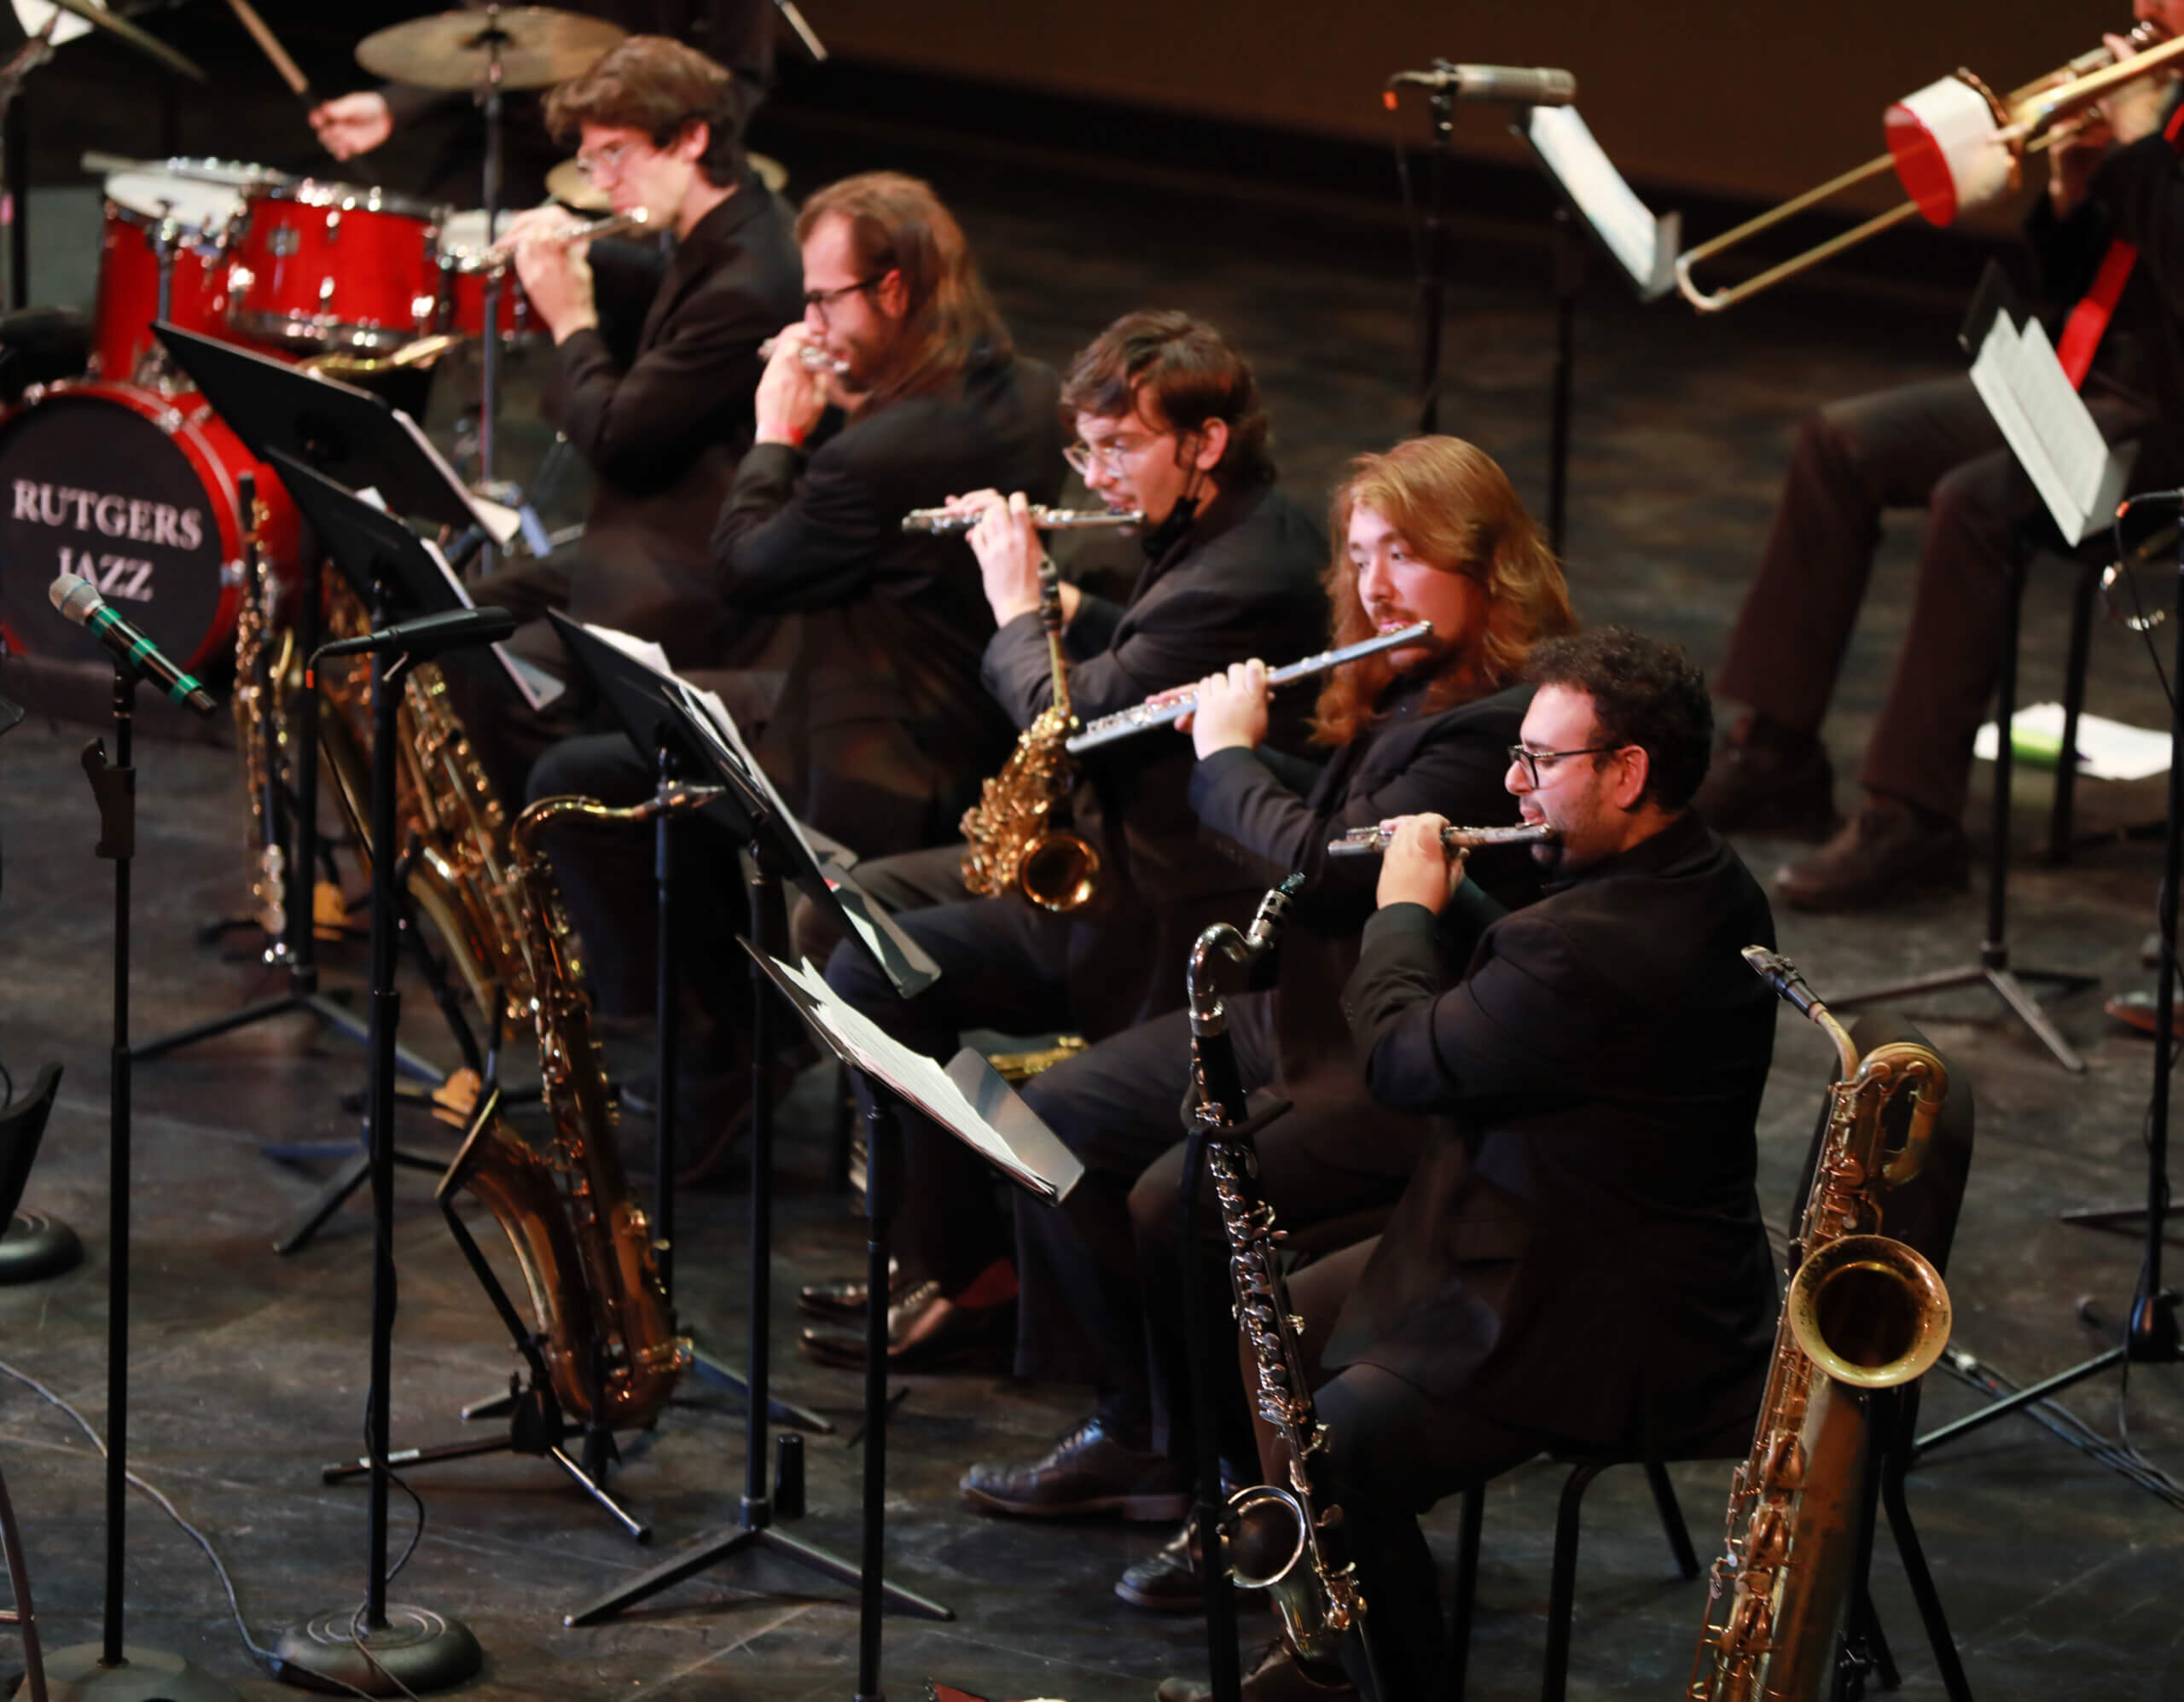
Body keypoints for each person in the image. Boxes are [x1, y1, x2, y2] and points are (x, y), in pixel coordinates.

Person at [940, 439, 1575, 1623]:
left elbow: (1333, 869)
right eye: (1362, 553)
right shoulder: (1407, 684)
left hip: (1395, 1061)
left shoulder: (1496, 723)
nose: (1376, 583)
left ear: (1488, 566)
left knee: (1172, 1202)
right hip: (1303, 1018)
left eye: (1410, 555)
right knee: (1041, 1120)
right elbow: (1342, 808)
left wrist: (1227, 754)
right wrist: (1234, 735)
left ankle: (1247, 1491)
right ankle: (1147, 1428)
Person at [1157, 628, 1780, 1701]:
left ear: (1629, 772)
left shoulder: (1585, 945)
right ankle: (1327, 1640)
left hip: (1598, 1309)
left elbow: (1402, 1061)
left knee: (1334, 1450)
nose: (1512, 780)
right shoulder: (1702, 873)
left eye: (1541, 761)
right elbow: (1543, 1006)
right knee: (1275, 1332)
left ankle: (1389, 1675)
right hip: (1576, 1231)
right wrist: (1473, 893)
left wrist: (1404, 903)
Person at [798, 311, 1329, 1369]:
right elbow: (1140, 648)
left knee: (875, 977)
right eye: (1083, 450)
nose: (1097, 476)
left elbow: (1072, 720)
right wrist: (1066, 597)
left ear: (1207, 442)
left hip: (1166, 905)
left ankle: (981, 1277)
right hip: (1106, 854)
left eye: (1120, 448)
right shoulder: (1211, 533)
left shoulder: (1249, 567)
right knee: (846, 914)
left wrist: (1010, 602)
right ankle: (958, 1252)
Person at [520, 171, 1063, 1134]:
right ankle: (738, 1037)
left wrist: (779, 427)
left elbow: (747, 567)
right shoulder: (1016, 388)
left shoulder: (880, 450)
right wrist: (851, 395)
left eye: (822, 299)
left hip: (884, 750)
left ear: (890, 292)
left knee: (588, 782)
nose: (807, 316)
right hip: (924, 698)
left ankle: (722, 1051)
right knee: (650, 710)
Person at [1695, 7, 2184, 911]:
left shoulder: (2156, 122)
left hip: (2167, 432)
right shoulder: (2158, 106)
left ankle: (1911, 821)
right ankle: (1774, 756)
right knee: (1838, 442)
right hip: (2083, 382)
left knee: (1975, 503)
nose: (2147, 10)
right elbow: (2085, 288)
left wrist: (2142, 154)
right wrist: (2076, 192)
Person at [436, 33, 803, 805]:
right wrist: (582, 252)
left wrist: (569, 315)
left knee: (501, 679)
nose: (602, 183)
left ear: (693, 138)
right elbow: (672, 282)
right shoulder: (731, 224)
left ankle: (571, 869)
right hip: (654, 532)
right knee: (450, 616)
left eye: (617, 155)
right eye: (591, 161)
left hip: (691, 573)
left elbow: (616, 439)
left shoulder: (749, 279)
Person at [308, 0, 776, 209]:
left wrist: (661, 152)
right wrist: (393, 107)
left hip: (648, 153)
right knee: (431, 257)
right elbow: (488, 34)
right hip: (529, 136)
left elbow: (739, 77)